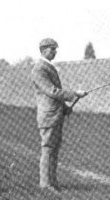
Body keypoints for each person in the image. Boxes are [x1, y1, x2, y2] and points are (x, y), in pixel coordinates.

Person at [31, 38, 87, 192]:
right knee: (48, 149)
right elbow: (52, 91)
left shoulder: (48, 67)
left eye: (55, 49)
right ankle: (45, 184)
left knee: (54, 150)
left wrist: (65, 108)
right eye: (52, 49)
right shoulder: (39, 69)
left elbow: (53, 94)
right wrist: (74, 93)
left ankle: (53, 182)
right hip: (48, 116)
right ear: (43, 51)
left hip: (56, 114)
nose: (55, 52)